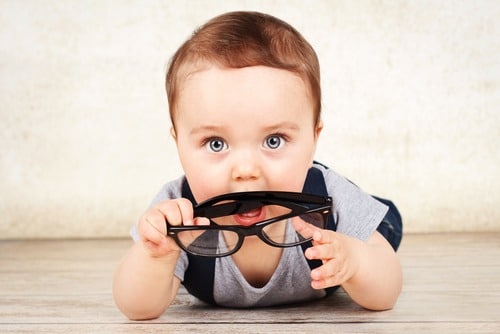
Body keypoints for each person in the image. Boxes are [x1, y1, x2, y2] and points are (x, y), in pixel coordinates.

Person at [113, 10, 403, 320]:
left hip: (318, 199)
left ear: (313, 138)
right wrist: (157, 258)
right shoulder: (177, 211)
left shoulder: (328, 197)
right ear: (179, 143)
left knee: (381, 229)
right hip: (264, 188)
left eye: (274, 140)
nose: (246, 170)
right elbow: (136, 308)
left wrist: (356, 262)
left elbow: (386, 293)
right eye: (216, 144)